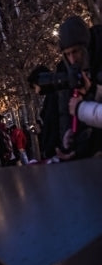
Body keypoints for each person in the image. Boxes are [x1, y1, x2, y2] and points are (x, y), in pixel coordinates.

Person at [55, 15, 102, 160]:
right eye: (67, 54)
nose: (72, 59)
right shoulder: (66, 69)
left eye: (75, 52)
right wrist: (68, 135)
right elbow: (65, 111)